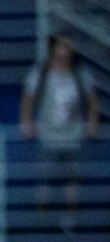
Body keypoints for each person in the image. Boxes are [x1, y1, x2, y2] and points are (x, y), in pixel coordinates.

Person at [21, 37, 100, 231]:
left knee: (72, 184)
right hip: (48, 137)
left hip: (73, 138)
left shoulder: (80, 74)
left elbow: (93, 100)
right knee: (44, 184)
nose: (64, 51)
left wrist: (92, 122)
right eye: (61, 46)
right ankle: (42, 223)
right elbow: (27, 98)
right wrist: (26, 122)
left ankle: (69, 222)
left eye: (68, 46)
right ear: (53, 48)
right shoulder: (41, 73)